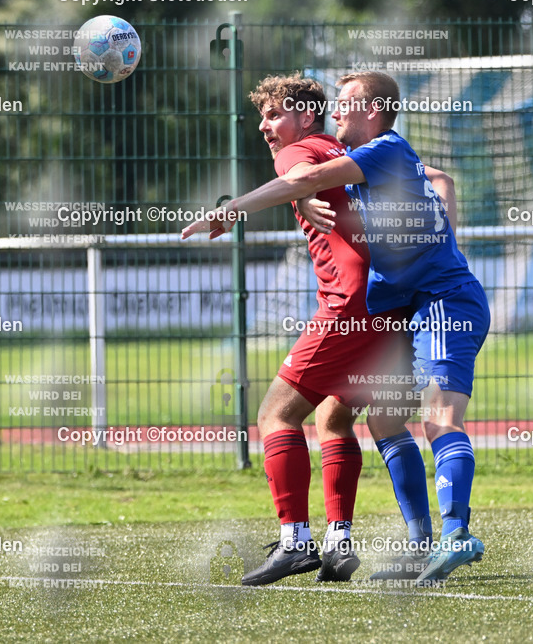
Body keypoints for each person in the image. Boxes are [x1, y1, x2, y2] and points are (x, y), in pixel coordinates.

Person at [184, 71, 490, 584]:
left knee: (291, 415)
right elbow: (437, 180)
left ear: (370, 110)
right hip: (397, 308)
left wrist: (232, 211)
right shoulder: (357, 156)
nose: (335, 113)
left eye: (345, 104)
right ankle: (406, 544)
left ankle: (315, 541)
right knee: (373, 422)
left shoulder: (346, 150)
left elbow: (303, 174)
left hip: (414, 304)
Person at [230, 73, 417, 586]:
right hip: (385, 302)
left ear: (304, 116)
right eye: (262, 118)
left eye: (274, 116)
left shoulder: (296, 151)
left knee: (274, 415)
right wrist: (313, 191)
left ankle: (295, 542)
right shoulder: (342, 148)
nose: (266, 128)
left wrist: (232, 210)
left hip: (349, 302)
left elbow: (296, 173)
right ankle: (339, 542)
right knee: (334, 420)